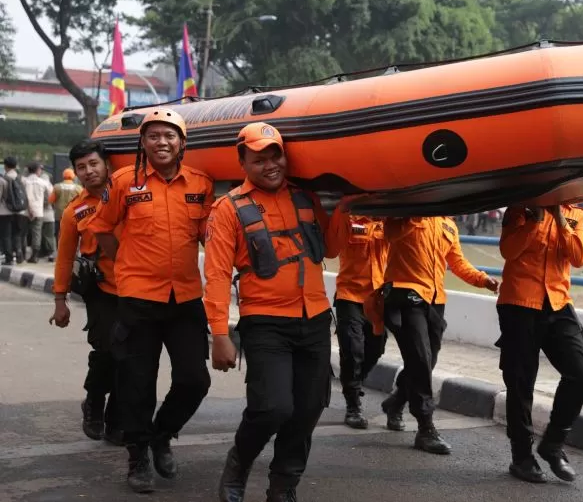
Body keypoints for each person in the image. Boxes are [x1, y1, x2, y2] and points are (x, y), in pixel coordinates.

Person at [203, 122, 350, 502]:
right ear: (242, 162)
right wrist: (220, 334)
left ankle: (283, 487)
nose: (271, 164)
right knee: (272, 408)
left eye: (276, 155)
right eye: (260, 158)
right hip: (265, 322)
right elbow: (217, 274)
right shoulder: (229, 208)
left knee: (309, 408)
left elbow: (331, 249)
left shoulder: (306, 197)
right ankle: (239, 462)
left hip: (315, 319)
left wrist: (345, 205)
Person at [88, 106, 214, 493]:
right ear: (142, 142)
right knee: (137, 383)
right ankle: (138, 454)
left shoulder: (201, 183)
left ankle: (163, 433)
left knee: (195, 379)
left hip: (186, 298)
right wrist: (125, 259)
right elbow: (101, 227)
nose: (162, 142)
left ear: (182, 143)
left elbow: (213, 235)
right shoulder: (124, 182)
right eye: (154, 136)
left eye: (170, 135)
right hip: (138, 298)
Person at [379, 216, 499, 454]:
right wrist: (415, 214)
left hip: (434, 301)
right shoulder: (406, 216)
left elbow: (457, 262)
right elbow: (390, 235)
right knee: (421, 359)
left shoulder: (448, 225)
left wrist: (483, 280)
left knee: (427, 360)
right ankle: (425, 427)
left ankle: (397, 401)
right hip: (405, 295)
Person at [495, 203, 583, 484]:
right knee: (520, 382)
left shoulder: (577, 214)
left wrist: (559, 218)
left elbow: (579, 257)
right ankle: (521, 457)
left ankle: (553, 443)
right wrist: (534, 221)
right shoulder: (519, 211)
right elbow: (508, 251)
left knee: (581, 371)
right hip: (519, 303)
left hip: (558, 303)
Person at [49, 140, 123, 446]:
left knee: (132, 357)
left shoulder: (128, 194)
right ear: (75, 173)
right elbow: (65, 257)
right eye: (82, 167)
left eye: (93, 164)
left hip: (141, 288)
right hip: (102, 289)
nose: (88, 171)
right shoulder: (75, 211)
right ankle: (94, 402)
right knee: (107, 352)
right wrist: (59, 301)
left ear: (106, 164)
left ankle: (118, 421)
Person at [334, 214, 389, 429]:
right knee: (352, 349)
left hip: (377, 300)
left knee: (376, 348)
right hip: (350, 296)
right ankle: (353, 404)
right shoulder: (349, 221)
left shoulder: (389, 224)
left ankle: (353, 382)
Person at [0, 156, 28, 265]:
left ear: (5, 166)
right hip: (20, 211)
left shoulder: (3, 179)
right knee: (17, 234)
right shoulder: (22, 179)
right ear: (16, 166)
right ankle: (20, 257)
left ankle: (9, 258)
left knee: (6, 235)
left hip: (5, 212)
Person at [23, 162, 52, 263]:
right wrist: (44, 204)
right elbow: (50, 196)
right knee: (37, 233)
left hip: (24, 212)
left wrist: (30, 209)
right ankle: (35, 256)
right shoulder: (43, 182)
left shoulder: (24, 181)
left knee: (23, 233)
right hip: (39, 210)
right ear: (37, 170)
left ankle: (22, 254)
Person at [50, 167, 83, 240]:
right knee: (73, 235)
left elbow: (51, 200)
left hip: (59, 216)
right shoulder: (78, 188)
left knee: (59, 235)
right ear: (73, 176)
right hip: (74, 216)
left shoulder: (57, 187)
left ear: (63, 175)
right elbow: (83, 202)